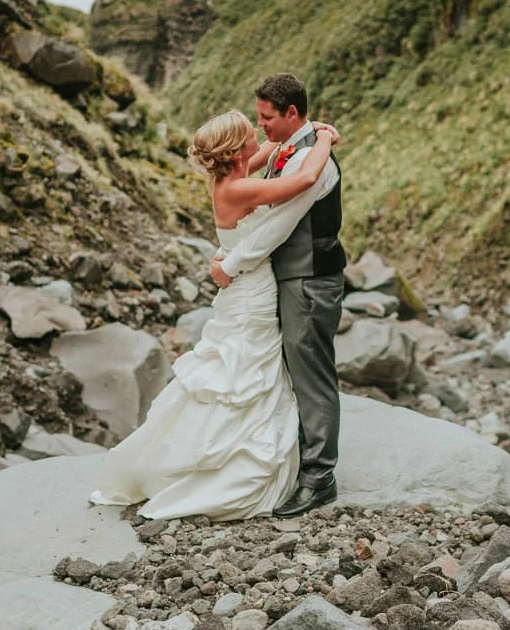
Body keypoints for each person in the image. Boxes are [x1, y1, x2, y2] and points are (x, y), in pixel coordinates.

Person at [88, 108, 338, 521]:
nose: (258, 132)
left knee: (238, 370)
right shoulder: (238, 189)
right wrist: (325, 139)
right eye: (249, 132)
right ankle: (226, 463)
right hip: (253, 291)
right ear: (237, 149)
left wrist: (295, 135)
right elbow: (304, 180)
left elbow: (272, 150)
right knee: (245, 371)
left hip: (242, 288)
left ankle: (209, 449)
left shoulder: (229, 176)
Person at [210, 73, 346, 519]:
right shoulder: (291, 148)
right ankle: (296, 460)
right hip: (291, 277)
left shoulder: (315, 162)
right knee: (289, 369)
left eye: (267, 117)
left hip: (309, 279)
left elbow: (277, 226)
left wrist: (230, 265)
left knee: (311, 372)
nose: (260, 125)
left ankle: (319, 477)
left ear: (291, 113)